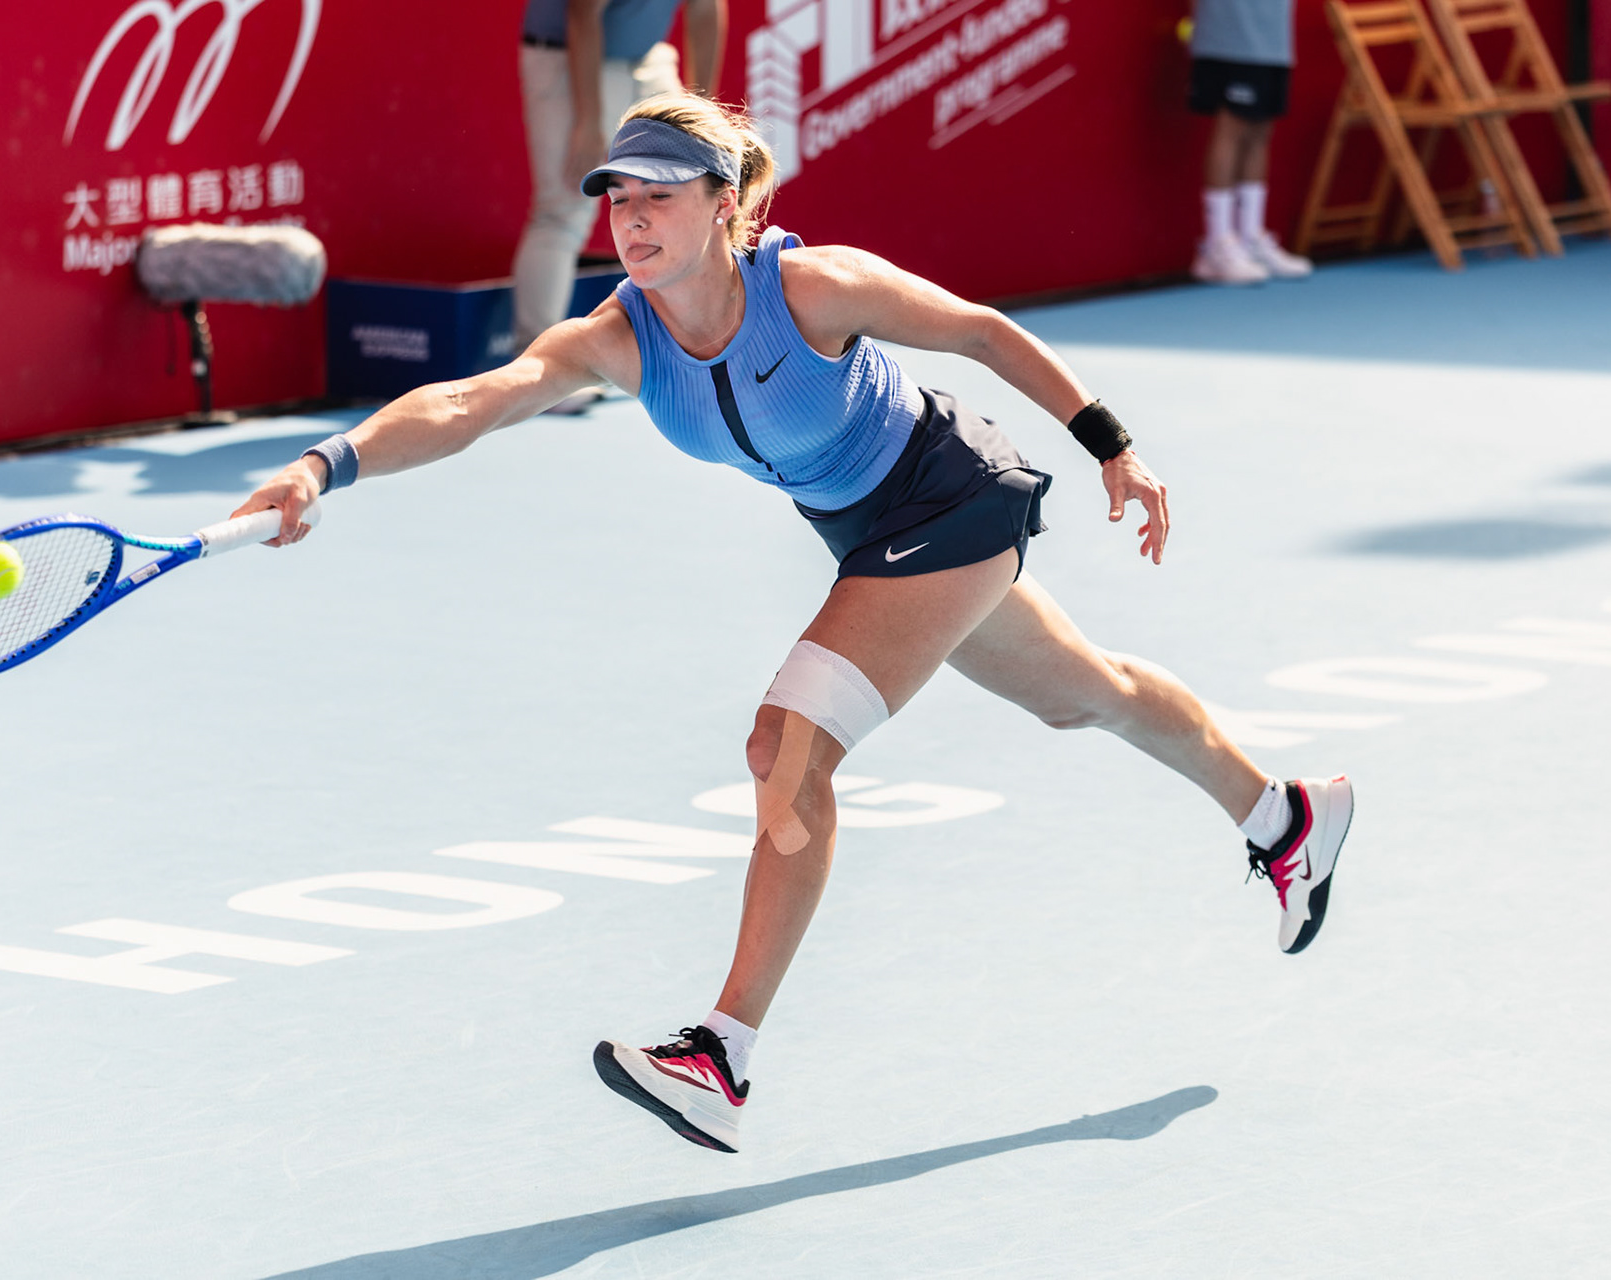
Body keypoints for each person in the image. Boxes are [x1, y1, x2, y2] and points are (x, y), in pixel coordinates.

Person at [234, 95, 1354, 1154]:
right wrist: (324, 463)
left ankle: (721, 1052)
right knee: (1084, 693)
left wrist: (1112, 444)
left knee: (788, 741)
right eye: (619, 197)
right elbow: (471, 401)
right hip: (868, 536)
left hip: (952, 494)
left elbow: (977, 329)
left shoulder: (812, 287)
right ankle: (1285, 813)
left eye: (659, 196)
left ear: (725, 205)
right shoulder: (616, 339)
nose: (631, 218)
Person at [513, 0, 727, 392]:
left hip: (648, 60)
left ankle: (698, 353)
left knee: (693, 203)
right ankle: (537, 376)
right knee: (561, 214)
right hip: (568, 61)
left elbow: (704, 10)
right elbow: (582, 12)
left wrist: (702, 113)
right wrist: (589, 122)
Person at [1187, 0, 1314, 284]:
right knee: (1232, 126)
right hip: (1231, 34)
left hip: (1274, 37)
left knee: (1260, 130)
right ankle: (1217, 244)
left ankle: (1249, 238)